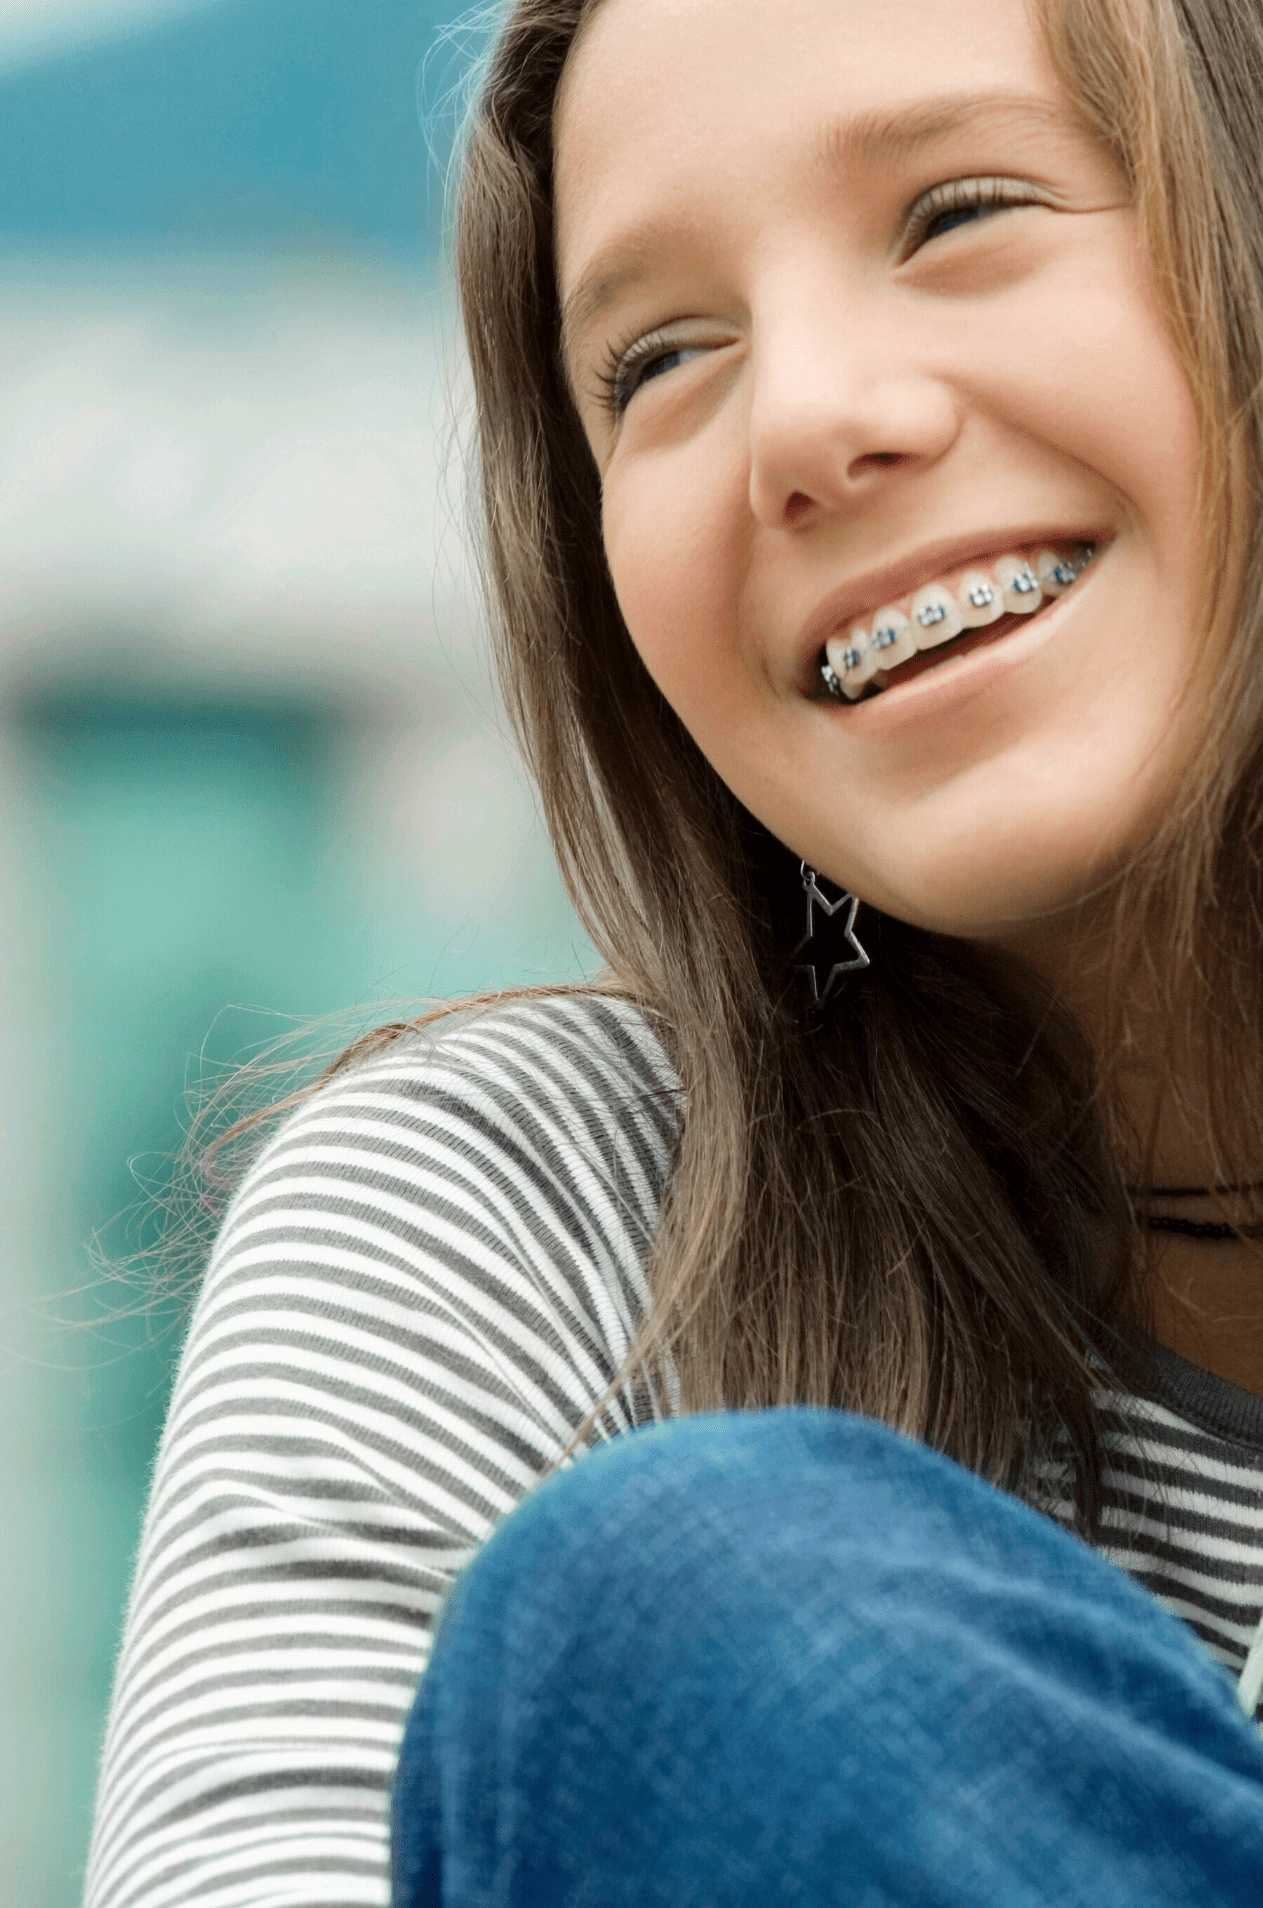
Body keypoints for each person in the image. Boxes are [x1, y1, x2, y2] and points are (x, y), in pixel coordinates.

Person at [83, 0, 1263, 1902]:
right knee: (711, 1605)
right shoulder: (517, 1225)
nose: (794, 423)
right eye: (655, 362)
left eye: (959, 211)